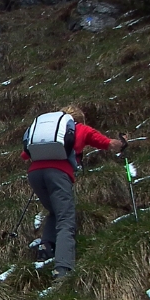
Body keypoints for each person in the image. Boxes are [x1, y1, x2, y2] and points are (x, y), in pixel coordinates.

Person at [22, 105, 124, 280]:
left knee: (54, 211)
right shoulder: (80, 128)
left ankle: (46, 248)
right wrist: (122, 143)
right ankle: (63, 268)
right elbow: (108, 144)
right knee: (65, 219)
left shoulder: (44, 132)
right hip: (59, 174)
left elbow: (25, 155)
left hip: (35, 174)